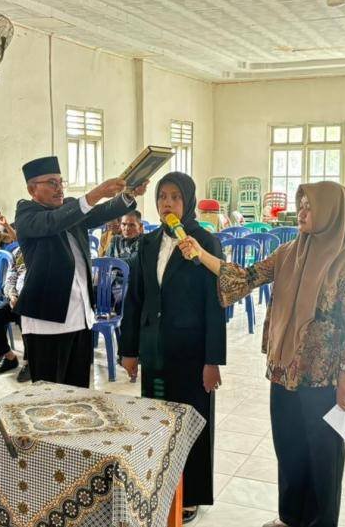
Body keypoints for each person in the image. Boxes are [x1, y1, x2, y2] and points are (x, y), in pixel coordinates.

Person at [178, 181, 345, 527]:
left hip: (323, 378)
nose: (301, 213)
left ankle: (320, 522)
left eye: (309, 207)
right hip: (284, 371)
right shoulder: (289, 252)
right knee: (289, 448)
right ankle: (291, 517)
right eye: (300, 205)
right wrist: (201, 254)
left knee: (323, 457)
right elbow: (246, 277)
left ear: (331, 211)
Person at [119, 173, 226, 524]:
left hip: (192, 352)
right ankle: (161, 482)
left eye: (175, 197)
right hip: (155, 349)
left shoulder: (205, 241)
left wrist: (213, 360)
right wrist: (130, 350)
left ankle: (191, 492)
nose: (167, 203)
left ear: (188, 201)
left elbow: (215, 303)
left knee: (192, 422)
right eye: (162, 197)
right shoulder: (148, 243)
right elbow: (136, 299)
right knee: (157, 419)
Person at [14, 156, 146, 387]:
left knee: (78, 391)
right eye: (51, 183)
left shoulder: (70, 209)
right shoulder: (27, 214)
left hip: (81, 315)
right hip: (47, 321)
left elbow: (102, 211)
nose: (59, 189)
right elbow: (52, 222)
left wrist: (128, 194)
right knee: (50, 395)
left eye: (61, 182)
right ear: (32, 189)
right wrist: (95, 194)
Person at [0, 247, 28, 380]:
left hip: (34, 300)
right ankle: (9, 357)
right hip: (16, 299)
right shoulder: (17, 252)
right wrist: (12, 296)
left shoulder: (41, 248)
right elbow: (10, 278)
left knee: (25, 318)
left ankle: (30, 362)